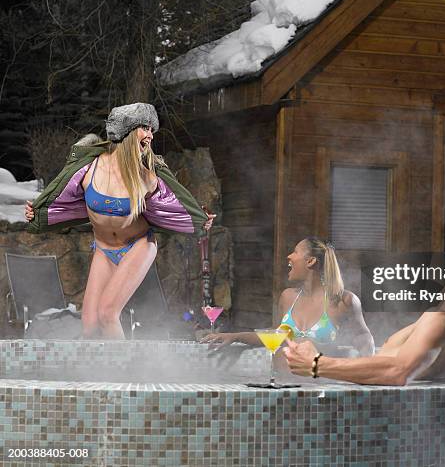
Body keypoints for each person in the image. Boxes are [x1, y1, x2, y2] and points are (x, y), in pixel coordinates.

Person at [25, 102, 214, 339]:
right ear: (126, 132)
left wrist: (199, 219)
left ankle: (122, 373)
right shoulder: (88, 169)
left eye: (152, 129)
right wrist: (39, 213)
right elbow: (61, 196)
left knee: (107, 313)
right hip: (104, 250)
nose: (150, 135)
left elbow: (173, 205)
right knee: (90, 323)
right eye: (145, 128)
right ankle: (94, 372)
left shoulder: (146, 176)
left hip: (138, 245)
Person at [284, 248, 445, 384]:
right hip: (389, 390)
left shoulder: (442, 321)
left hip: (376, 398)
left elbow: (398, 372)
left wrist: (317, 364)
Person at [202, 237, 375, 357]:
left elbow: (363, 337)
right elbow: (274, 335)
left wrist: (365, 365)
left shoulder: (342, 301)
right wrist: (234, 336)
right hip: (281, 386)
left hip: (319, 387)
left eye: (295, 252)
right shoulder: (288, 297)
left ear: (310, 261)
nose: (289, 256)